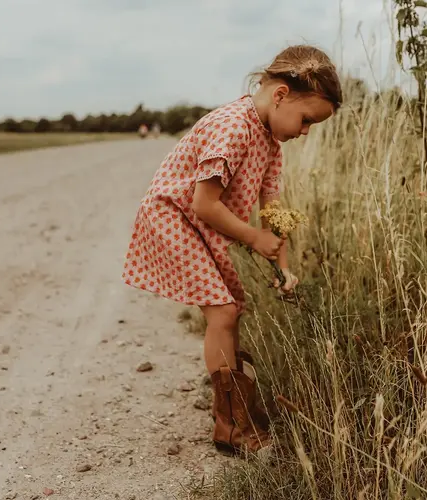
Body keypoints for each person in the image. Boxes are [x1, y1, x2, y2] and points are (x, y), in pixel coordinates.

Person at [122, 44, 342, 456]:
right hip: (175, 217)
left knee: (232, 307)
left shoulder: (271, 144)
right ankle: (232, 426)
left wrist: (283, 268)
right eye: (307, 120)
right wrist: (254, 239)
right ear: (280, 95)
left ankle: (233, 407)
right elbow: (204, 204)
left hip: (202, 224)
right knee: (221, 310)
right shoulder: (233, 127)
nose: (305, 131)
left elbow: (272, 212)